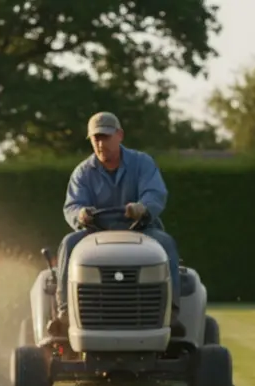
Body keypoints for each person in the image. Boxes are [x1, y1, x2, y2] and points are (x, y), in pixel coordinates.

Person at [51, 111, 185, 337]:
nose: (101, 143)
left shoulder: (142, 163)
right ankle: (65, 311)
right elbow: (72, 206)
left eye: (105, 136)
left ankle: (170, 312)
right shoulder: (83, 173)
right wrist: (81, 214)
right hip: (96, 234)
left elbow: (155, 194)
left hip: (142, 230)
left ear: (119, 135)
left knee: (165, 243)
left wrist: (143, 208)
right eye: (96, 138)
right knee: (69, 243)